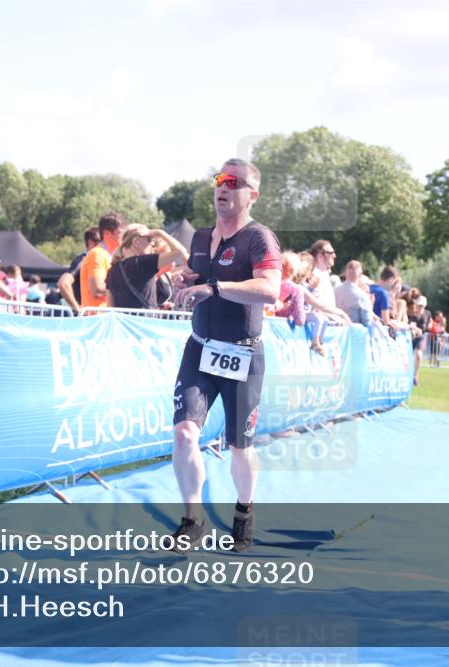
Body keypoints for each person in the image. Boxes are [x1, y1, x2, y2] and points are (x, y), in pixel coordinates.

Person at [171, 159, 282, 553]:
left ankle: (244, 513)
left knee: (240, 448)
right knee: (185, 435)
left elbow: (271, 289)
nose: (223, 187)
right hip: (199, 348)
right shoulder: (201, 238)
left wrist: (215, 289)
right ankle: (192, 520)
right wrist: (183, 280)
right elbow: (193, 272)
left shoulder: (260, 239)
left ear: (252, 194)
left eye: (233, 182)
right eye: (219, 179)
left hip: (242, 354)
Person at [107, 226, 188, 309]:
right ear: (136, 242)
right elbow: (181, 252)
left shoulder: (112, 270)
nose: (152, 244)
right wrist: (160, 233)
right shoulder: (143, 262)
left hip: (122, 321)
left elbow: (110, 306)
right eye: (149, 239)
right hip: (144, 321)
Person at [79, 212, 127, 311]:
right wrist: (125, 286)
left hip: (105, 318)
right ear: (106, 233)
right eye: (120, 232)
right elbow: (97, 290)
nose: (124, 237)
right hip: (97, 319)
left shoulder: (110, 255)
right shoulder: (97, 255)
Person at [57, 226, 101, 316]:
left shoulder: (97, 260)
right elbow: (63, 284)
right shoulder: (83, 259)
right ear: (91, 243)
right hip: (83, 317)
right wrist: (77, 308)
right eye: (102, 243)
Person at [334, 260, 374, 326]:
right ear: (361, 274)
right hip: (354, 333)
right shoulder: (362, 295)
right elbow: (368, 322)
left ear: (345, 273)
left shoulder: (335, 290)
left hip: (335, 331)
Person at [408, 295, 430, 385]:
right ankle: (407, 374)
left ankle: (415, 376)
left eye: (422, 305)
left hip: (422, 337)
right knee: (408, 356)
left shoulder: (428, 313)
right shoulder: (412, 313)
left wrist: (430, 326)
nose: (420, 307)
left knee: (419, 355)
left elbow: (429, 322)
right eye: (419, 305)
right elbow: (411, 324)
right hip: (412, 336)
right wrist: (414, 330)